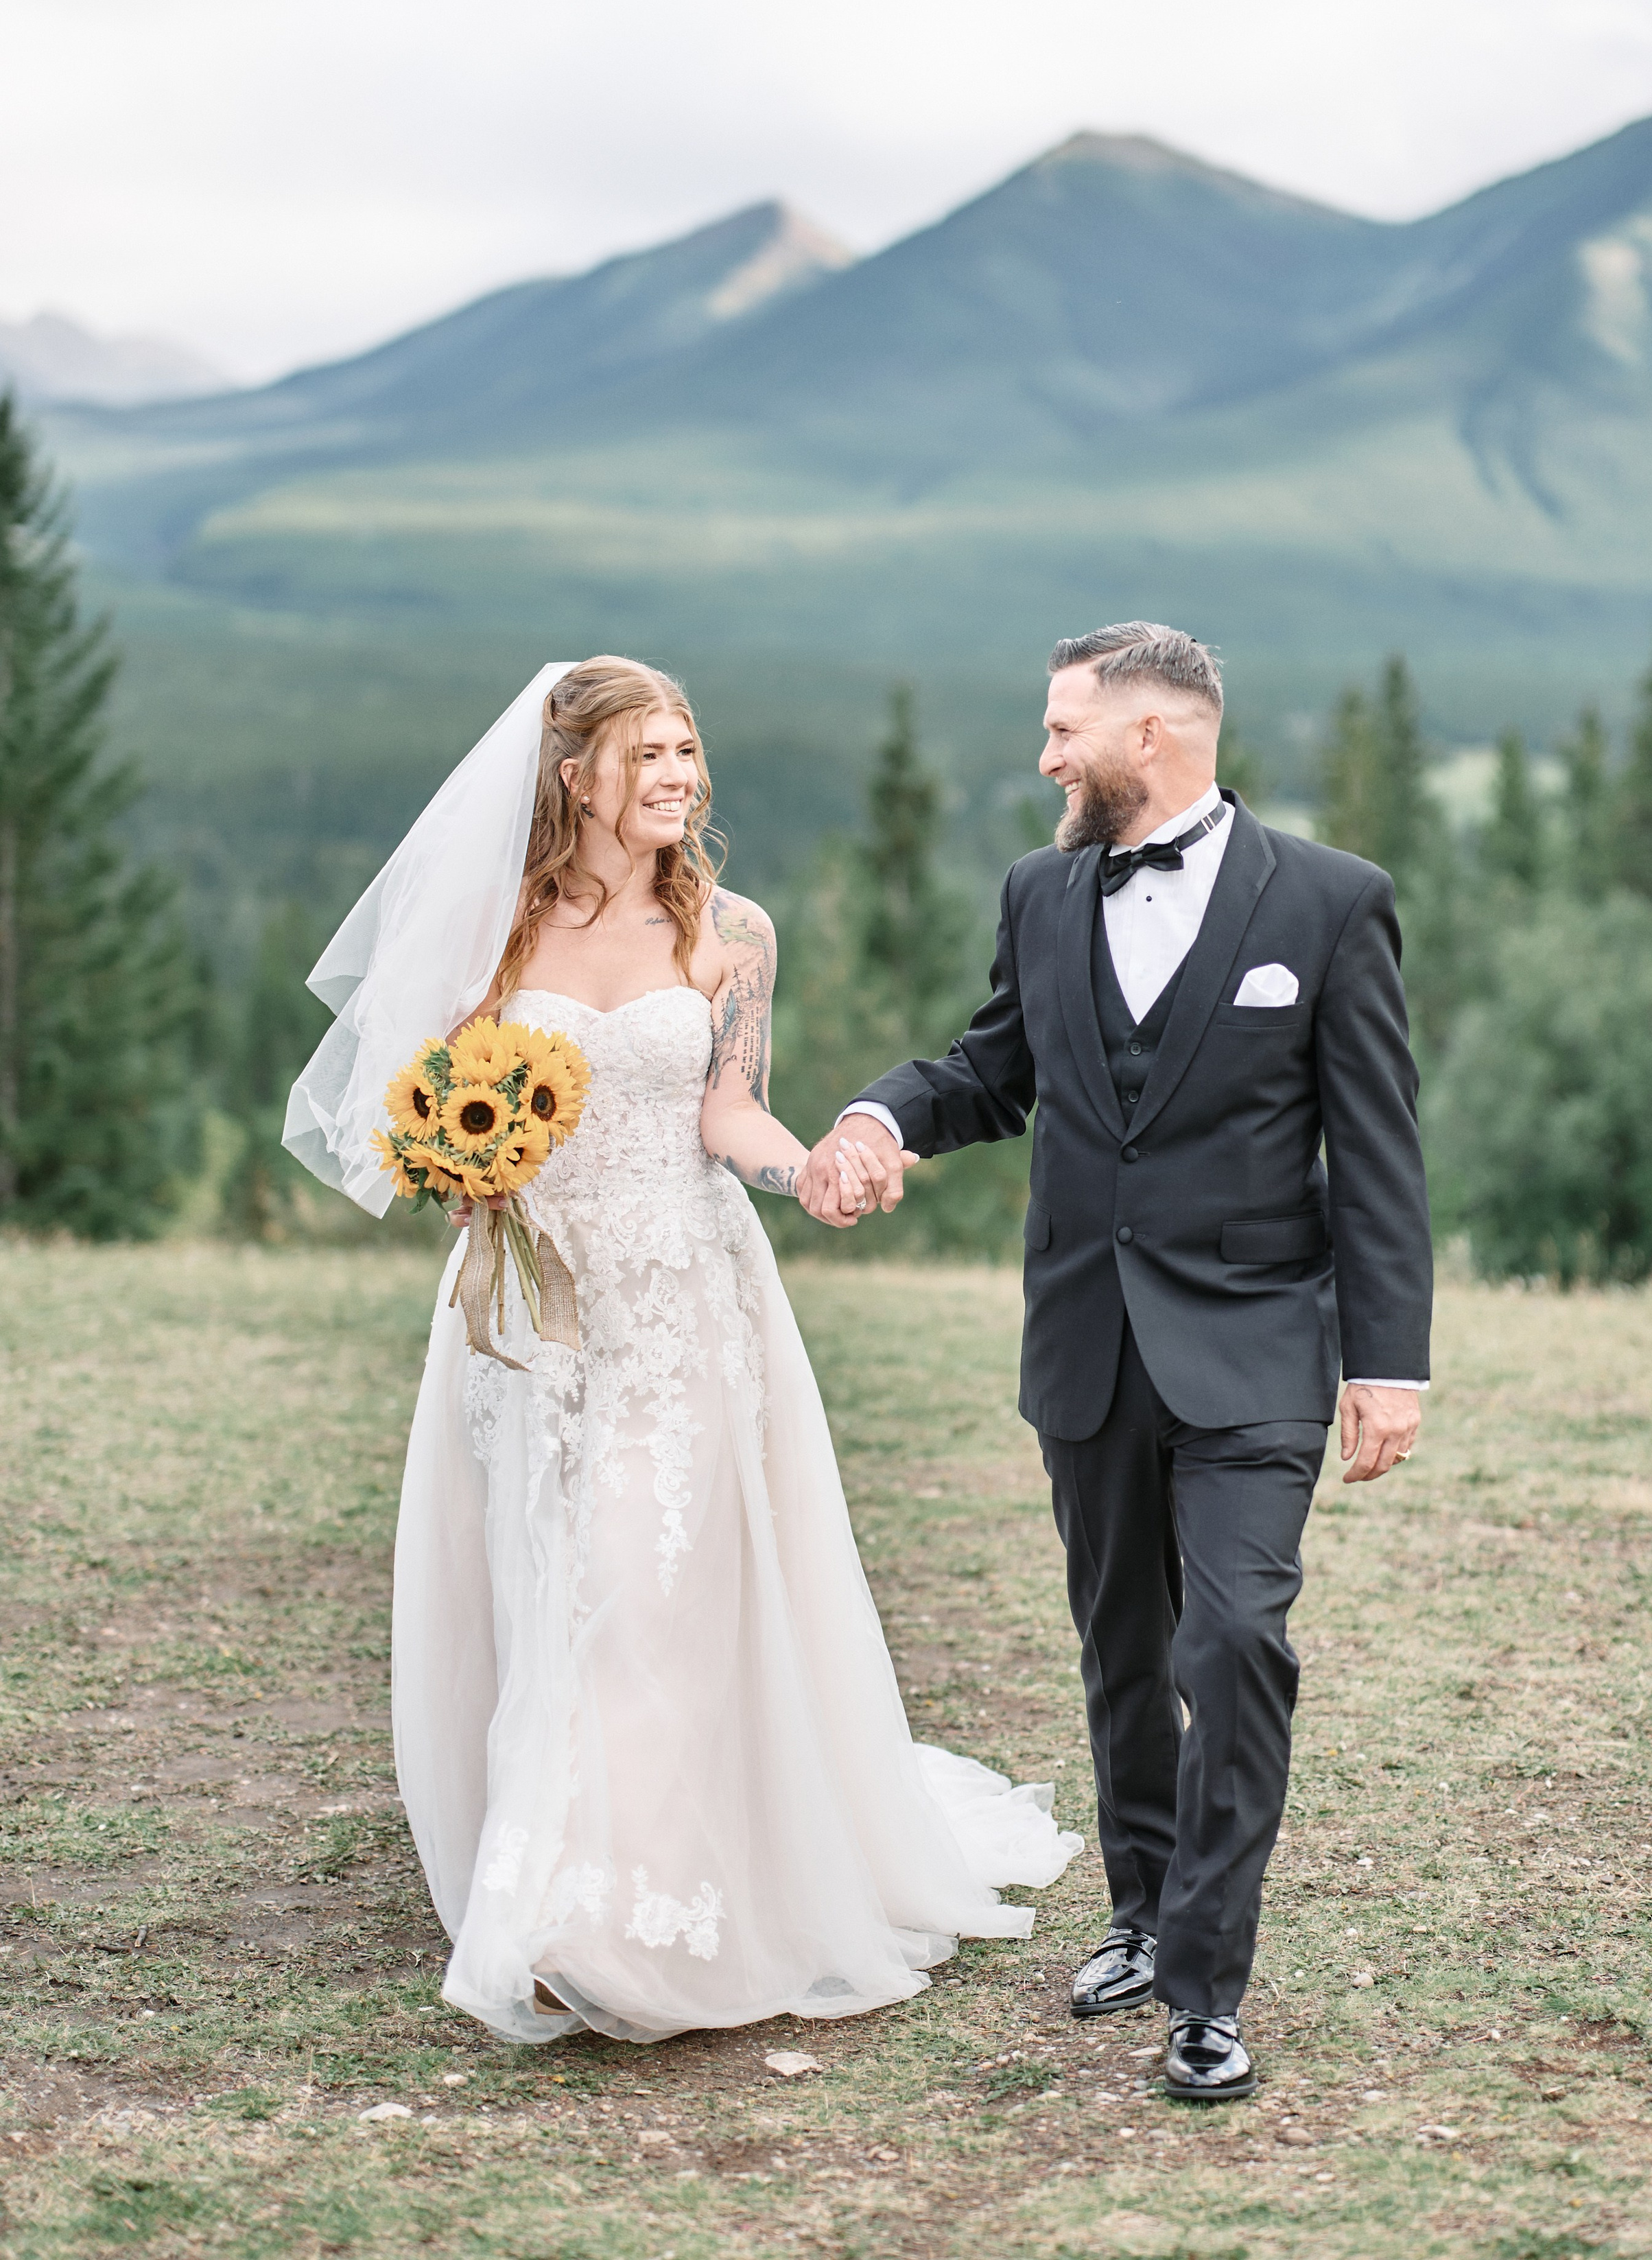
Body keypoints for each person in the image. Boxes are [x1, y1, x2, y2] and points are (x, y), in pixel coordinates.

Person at [283, 656, 1078, 2044]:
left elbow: (728, 1111)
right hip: (526, 1320)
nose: (675, 776)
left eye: (686, 750)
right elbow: (415, 1104)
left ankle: (598, 1925)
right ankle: (541, 1869)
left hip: (682, 1309)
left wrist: (811, 1169)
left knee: (639, 1592)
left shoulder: (730, 929)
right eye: (645, 753)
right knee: (542, 1591)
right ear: (573, 772)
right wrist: (458, 1167)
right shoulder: (496, 933)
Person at [799, 622, 1432, 2101]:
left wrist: (1386, 1361)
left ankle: (1206, 1984)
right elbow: (990, 1067)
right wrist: (880, 1118)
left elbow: (1379, 1153)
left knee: (1235, 1642)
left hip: (1261, 1349)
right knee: (1123, 1655)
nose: (1043, 756)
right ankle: (1140, 1915)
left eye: (1060, 729)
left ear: (1150, 733)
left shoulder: (1333, 903)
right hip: (1087, 1342)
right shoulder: (1037, 892)